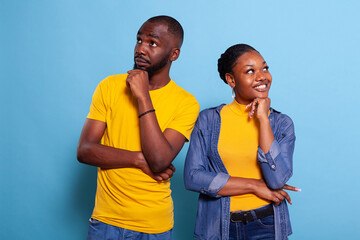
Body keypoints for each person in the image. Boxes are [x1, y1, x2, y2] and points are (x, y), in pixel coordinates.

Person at [77, 15, 199, 240]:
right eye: (139, 40)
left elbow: (160, 161)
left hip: (154, 225)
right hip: (106, 222)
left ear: (174, 54)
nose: (141, 49)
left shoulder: (186, 102)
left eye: (152, 43)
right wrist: (138, 159)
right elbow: (85, 150)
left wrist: (143, 96)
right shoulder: (109, 86)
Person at [184, 44, 299, 240]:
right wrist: (253, 185)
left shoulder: (281, 124)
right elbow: (193, 177)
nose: (262, 76)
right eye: (250, 71)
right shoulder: (209, 120)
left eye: (265, 68)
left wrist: (263, 120)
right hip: (218, 227)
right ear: (231, 79)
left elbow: (277, 180)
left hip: (267, 226)